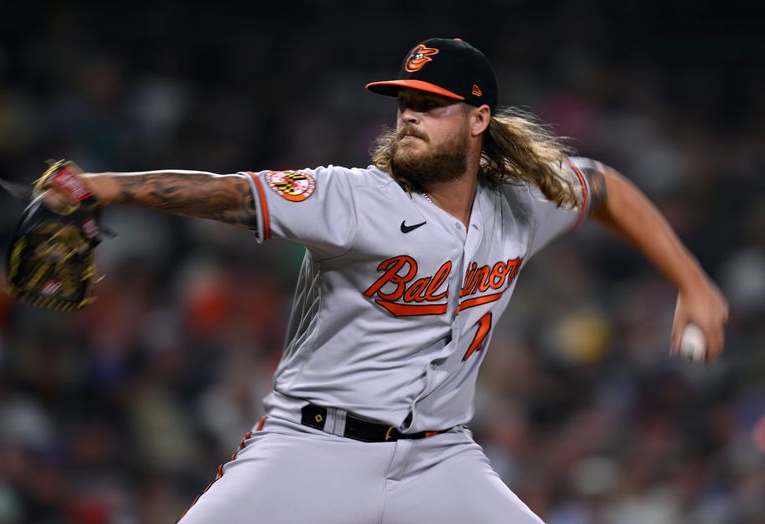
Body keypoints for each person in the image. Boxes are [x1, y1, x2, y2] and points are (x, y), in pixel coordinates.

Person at [41, 38, 728, 523]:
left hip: (440, 460)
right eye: (404, 102)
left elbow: (603, 188)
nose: (409, 116)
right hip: (310, 449)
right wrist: (100, 186)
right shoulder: (351, 197)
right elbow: (224, 192)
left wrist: (691, 280)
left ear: (479, 119)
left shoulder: (521, 203)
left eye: (431, 105)